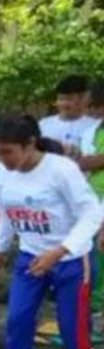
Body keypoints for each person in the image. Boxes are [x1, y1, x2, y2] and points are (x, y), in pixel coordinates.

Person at [0, 114, 103, 349]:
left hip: (70, 260)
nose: (2, 158)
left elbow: (92, 213)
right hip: (30, 257)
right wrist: (0, 249)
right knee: (17, 320)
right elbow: (8, 214)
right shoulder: (2, 173)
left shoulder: (61, 170)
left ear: (30, 144)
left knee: (72, 328)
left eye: (8, 151)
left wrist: (60, 250)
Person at [79, 80, 104, 316]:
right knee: (92, 254)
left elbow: (92, 160)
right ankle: (94, 305)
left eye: (95, 106)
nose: (92, 112)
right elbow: (84, 161)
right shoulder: (92, 131)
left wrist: (92, 160)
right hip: (92, 198)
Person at [39, 75, 97, 155]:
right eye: (61, 99)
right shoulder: (43, 124)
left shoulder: (94, 126)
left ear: (82, 100)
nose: (64, 104)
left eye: (69, 99)